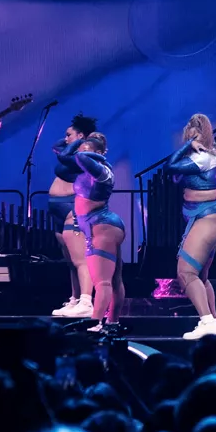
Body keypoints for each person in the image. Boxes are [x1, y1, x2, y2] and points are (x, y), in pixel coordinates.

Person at [168, 113, 216, 340]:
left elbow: (170, 166)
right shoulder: (197, 158)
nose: (192, 142)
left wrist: (186, 146)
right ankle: (214, 322)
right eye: (189, 138)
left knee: (185, 273)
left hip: (209, 217)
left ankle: (207, 321)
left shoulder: (204, 157)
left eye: (195, 138)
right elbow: (176, 174)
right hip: (205, 218)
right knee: (201, 277)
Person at [70, 133, 125, 332]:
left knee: (102, 282)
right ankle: (113, 322)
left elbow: (79, 157)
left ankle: (96, 323)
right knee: (114, 280)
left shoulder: (102, 170)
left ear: (100, 153)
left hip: (101, 226)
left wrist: (88, 152)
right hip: (103, 225)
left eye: (88, 150)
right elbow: (62, 154)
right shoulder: (91, 170)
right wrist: (82, 145)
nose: (82, 153)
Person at [47, 114, 98, 318]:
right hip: (58, 211)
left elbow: (62, 153)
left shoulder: (85, 156)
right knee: (70, 261)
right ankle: (75, 299)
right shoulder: (70, 152)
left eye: (69, 135)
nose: (65, 138)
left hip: (72, 208)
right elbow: (56, 145)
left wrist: (82, 140)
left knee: (80, 259)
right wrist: (75, 138)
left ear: (81, 136)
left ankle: (86, 301)